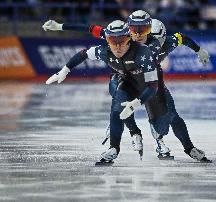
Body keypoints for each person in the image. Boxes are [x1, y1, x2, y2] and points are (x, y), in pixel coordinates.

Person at [42, 10, 211, 162]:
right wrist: (60, 26)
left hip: (150, 80)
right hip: (125, 77)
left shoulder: (165, 42)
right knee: (119, 104)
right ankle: (129, 133)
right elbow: (90, 30)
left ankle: (169, 140)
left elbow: (183, 39)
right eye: (134, 30)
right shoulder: (120, 37)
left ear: (156, 34)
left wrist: (199, 50)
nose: (137, 35)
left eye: (143, 30)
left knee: (169, 117)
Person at [46, 20, 161, 164]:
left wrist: (136, 103)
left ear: (129, 38)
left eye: (122, 40)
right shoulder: (104, 50)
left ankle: (140, 133)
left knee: (135, 110)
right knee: (117, 108)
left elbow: (153, 86)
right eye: (113, 41)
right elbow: (83, 53)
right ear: (107, 39)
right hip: (124, 80)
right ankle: (117, 145)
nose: (118, 46)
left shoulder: (143, 53)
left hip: (144, 85)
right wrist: (64, 70)